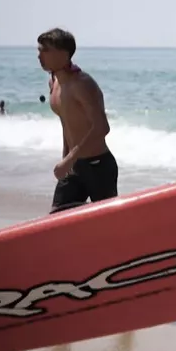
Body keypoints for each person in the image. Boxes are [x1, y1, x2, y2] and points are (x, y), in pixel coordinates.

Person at [36, 27, 117, 213]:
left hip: (98, 166)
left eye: (46, 50)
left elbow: (102, 127)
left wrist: (69, 159)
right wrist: (66, 157)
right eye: (39, 50)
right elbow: (67, 123)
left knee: (108, 226)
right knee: (57, 220)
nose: (40, 56)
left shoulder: (82, 84)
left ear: (64, 53)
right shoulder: (54, 83)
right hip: (74, 166)